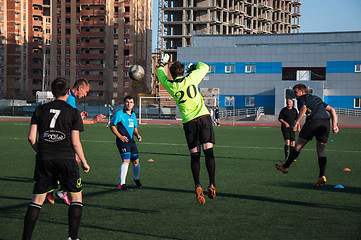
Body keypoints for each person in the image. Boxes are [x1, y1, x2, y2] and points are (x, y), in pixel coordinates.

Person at [23, 77, 90, 240]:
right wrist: (84, 161)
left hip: (45, 159)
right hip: (66, 159)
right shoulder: (72, 112)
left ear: (52, 92)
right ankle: (72, 238)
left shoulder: (40, 109)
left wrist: (41, 152)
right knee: (76, 198)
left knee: (36, 201)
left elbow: (32, 138)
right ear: (68, 92)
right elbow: (75, 142)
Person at [157, 54, 216, 204]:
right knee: (208, 151)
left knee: (194, 155)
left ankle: (197, 185)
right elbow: (205, 66)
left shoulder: (170, 85)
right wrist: (193, 67)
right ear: (183, 72)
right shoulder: (191, 79)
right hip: (203, 117)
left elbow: (160, 74)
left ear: (172, 73)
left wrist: (161, 63)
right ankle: (212, 183)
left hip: (189, 122)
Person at [275, 84, 339, 187]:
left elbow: (304, 109)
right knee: (321, 150)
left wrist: (296, 122)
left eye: (295, 92)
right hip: (325, 123)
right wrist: (335, 125)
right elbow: (332, 110)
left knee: (298, 146)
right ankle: (321, 176)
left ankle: (286, 167)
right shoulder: (317, 98)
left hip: (314, 122)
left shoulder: (301, 98)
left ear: (302, 92)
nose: (295, 95)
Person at [109, 95, 142, 190]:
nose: (129, 104)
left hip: (131, 141)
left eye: (131, 102)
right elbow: (112, 125)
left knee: (136, 161)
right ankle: (121, 184)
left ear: (133, 104)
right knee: (126, 160)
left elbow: (135, 128)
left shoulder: (134, 115)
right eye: (127, 102)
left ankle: (136, 179)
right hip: (122, 141)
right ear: (124, 103)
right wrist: (120, 136)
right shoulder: (119, 114)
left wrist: (137, 135)